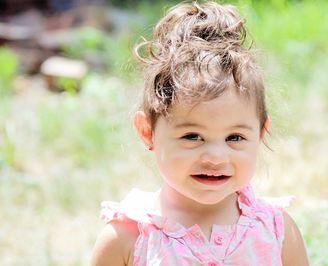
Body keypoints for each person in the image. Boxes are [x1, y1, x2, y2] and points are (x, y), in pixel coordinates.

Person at [90, 1, 309, 265]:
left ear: (260, 134)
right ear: (147, 131)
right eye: (192, 136)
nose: (215, 157)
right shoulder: (129, 239)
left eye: (235, 138)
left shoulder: (277, 232)